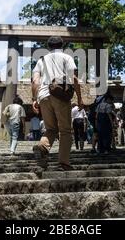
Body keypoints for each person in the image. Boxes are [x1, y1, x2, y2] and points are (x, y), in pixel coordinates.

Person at [31, 36, 84, 171]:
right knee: (65, 130)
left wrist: (34, 99)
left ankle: (42, 147)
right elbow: (74, 78)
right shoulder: (67, 57)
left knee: (51, 129)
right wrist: (79, 98)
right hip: (60, 95)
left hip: (43, 95)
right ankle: (63, 163)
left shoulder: (41, 60)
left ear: (48, 47)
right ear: (62, 46)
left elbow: (35, 81)